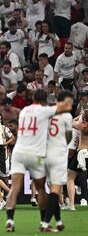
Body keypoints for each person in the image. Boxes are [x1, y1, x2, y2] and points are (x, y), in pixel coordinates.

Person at [5, 89, 74, 232]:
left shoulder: (23, 111)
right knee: (41, 189)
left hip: (18, 151)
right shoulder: (44, 111)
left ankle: (10, 220)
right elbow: (65, 108)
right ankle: (45, 222)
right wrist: (67, 101)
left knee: (14, 188)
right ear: (43, 101)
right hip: (35, 153)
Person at [41, 91, 74, 232]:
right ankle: (45, 224)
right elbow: (69, 135)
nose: (71, 106)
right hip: (58, 154)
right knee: (55, 191)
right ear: (64, 101)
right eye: (70, 102)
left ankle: (59, 222)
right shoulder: (66, 116)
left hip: (45, 154)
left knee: (53, 190)